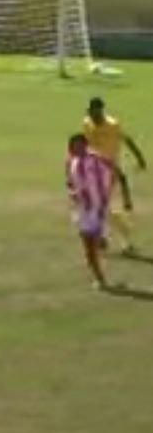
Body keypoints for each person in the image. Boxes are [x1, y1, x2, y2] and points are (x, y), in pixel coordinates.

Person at [83, 97, 147, 255]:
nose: (93, 116)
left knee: (99, 206)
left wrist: (140, 158)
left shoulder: (113, 125)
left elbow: (127, 140)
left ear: (101, 111)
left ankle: (113, 239)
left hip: (109, 170)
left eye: (96, 113)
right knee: (98, 207)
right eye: (91, 112)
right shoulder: (87, 123)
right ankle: (113, 239)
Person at [66, 133, 114, 289]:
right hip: (82, 209)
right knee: (89, 246)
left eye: (79, 145)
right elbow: (71, 182)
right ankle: (99, 246)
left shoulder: (95, 160)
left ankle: (100, 279)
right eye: (73, 145)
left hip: (96, 209)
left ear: (85, 144)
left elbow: (109, 179)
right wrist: (73, 192)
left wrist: (102, 205)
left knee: (90, 248)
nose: (76, 148)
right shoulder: (73, 161)